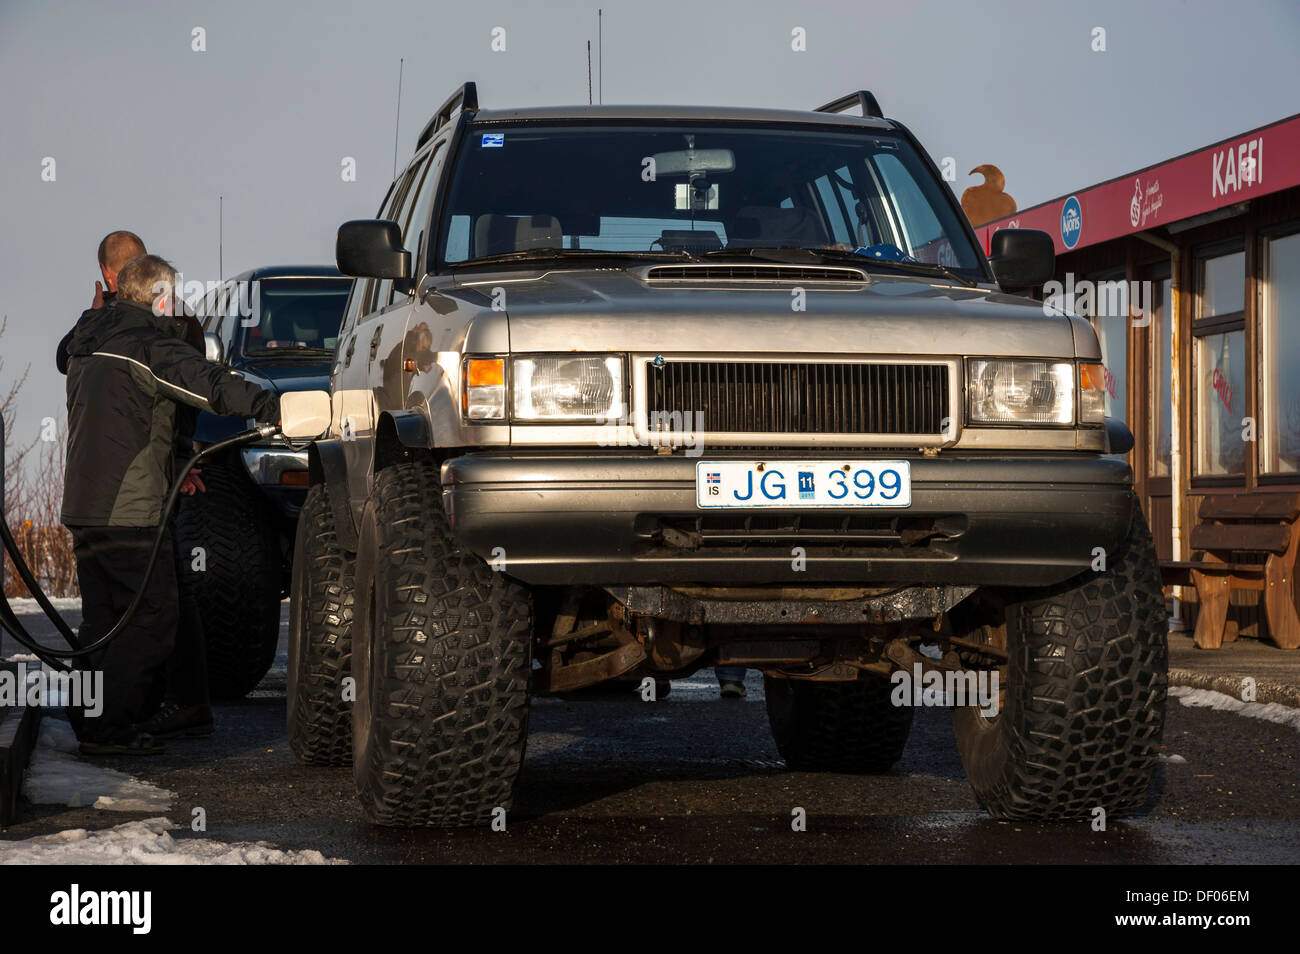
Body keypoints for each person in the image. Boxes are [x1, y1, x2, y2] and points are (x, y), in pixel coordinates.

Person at [61, 254, 280, 755]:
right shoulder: (148, 346)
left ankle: (89, 720)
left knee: (101, 623)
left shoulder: (86, 341)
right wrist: (271, 405)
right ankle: (109, 728)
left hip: (84, 505)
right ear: (160, 298)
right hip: (131, 510)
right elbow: (209, 383)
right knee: (154, 619)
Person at [56, 230, 146, 374]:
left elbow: (63, 358)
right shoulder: (170, 309)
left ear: (105, 272)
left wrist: (93, 316)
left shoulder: (105, 314)